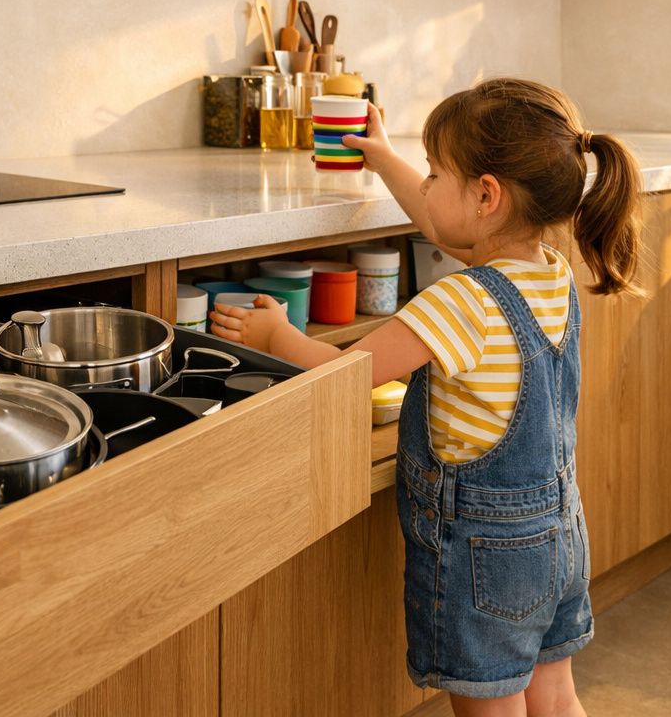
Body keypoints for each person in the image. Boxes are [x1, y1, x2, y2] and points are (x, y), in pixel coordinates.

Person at [211, 78, 643, 717]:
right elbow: (451, 224)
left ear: (487, 196)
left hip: (484, 554)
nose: (428, 185)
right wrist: (384, 156)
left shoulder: (459, 301)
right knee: (555, 698)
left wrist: (276, 334)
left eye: (435, 172)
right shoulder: (550, 270)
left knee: (490, 710)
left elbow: (348, 373)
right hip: (560, 534)